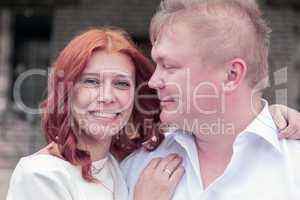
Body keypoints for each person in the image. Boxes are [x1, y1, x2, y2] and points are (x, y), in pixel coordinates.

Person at [121, 0, 300, 199]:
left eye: (169, 67)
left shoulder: (294, 166)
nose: (153, 82)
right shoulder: (137, 170)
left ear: (232, 75)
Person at [6, 28, 184, 200]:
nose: (107, 97)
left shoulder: (119, 165)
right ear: (66, 92)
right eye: (91, 81)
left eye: (121, 84)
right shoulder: (41, 174)